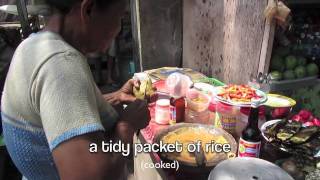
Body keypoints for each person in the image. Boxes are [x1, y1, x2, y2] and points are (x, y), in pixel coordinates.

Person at [1, 0, 150, 179]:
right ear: (88, 10)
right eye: (119, 17)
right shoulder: (61, 64)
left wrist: (116, 97)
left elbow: (60, 113)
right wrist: (128, 125)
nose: (118, 28)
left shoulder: (31, 45)